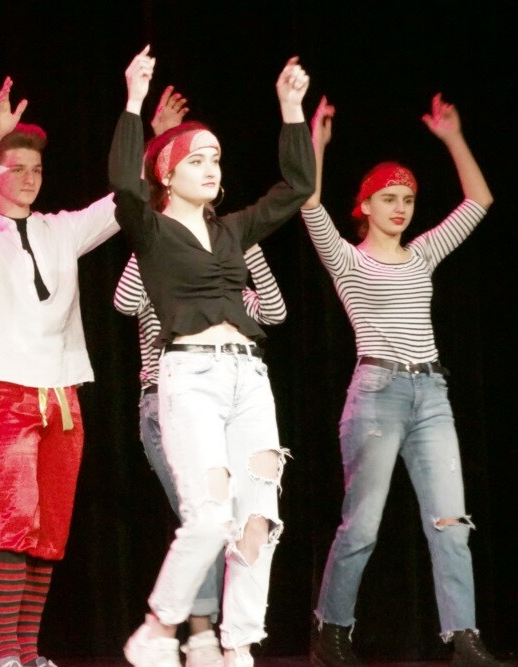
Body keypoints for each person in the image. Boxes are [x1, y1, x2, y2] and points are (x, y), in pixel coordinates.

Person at [110, 47, 314, 667]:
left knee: (259, 519)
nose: (209, 167)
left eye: (215, 158)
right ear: (167, 173)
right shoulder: (151, 231)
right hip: (190, 377)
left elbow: (298, 187)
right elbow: (123, 184)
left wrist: (291, 109)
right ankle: (157, 628)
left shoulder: (232, 230)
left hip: (249, 377)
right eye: (195, 159)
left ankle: (239, 646)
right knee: (208, 517)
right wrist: (133, 101)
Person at [300, 94, 501, 666]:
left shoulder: (423, 254)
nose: (400, 208)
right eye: (388, 198)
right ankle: (331, 630)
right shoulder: (347, 259)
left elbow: (479, 200)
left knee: (451, 523)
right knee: (362, 525)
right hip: (377, 395)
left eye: (408, 199)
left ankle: (463, 637)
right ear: (364, 205)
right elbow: (308, 201)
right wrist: (317, 143)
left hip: (431, 394)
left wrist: (452, 137)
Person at [0, 76, 119, 667]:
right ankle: (5, 655)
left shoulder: (58, 229)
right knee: (15, 519)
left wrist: (153, 142)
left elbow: (120, 204)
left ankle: (28, 651)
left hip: (62, 389)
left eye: (36, 169)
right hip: (5, 387)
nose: (28, 177)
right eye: (16, 168)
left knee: (50, 528)